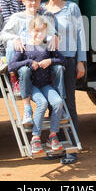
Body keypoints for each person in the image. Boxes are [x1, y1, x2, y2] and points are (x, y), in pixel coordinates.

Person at [41, 0, 87, 164]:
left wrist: (80, 61)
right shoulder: (41, 9)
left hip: (67, 61)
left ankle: (72, 148)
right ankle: (57, 146)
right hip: (47, 62)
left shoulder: (72, 8)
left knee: (68, 103)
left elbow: (80, 35)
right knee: (53, 103)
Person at [0, 0, 62, 126]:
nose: (33, 3)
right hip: (23, 57)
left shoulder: (43, 19)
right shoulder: (17, 17)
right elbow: (3, 34)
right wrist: (15, 38)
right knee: (11, 43)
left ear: (40, 1)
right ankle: (14, 77)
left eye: (36, 0)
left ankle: (58, 105)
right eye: (30, 0)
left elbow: (53, 33)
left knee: (52, 42)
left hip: (39, 56)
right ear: (23, 1)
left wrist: (55, 37)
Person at [8, 16, 65, 154]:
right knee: (42, 103)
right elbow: (11, 66)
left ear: (46, 32)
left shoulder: (48, 46)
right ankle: (36, 137)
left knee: (57, 102)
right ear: (29, 31)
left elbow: (63, 60)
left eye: (42, 31)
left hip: (45, 85)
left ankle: (52, 135)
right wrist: (28, 62)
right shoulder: (24, 47)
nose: (39, 34)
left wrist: (50, 60)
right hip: (31, 86)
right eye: (36, 31)